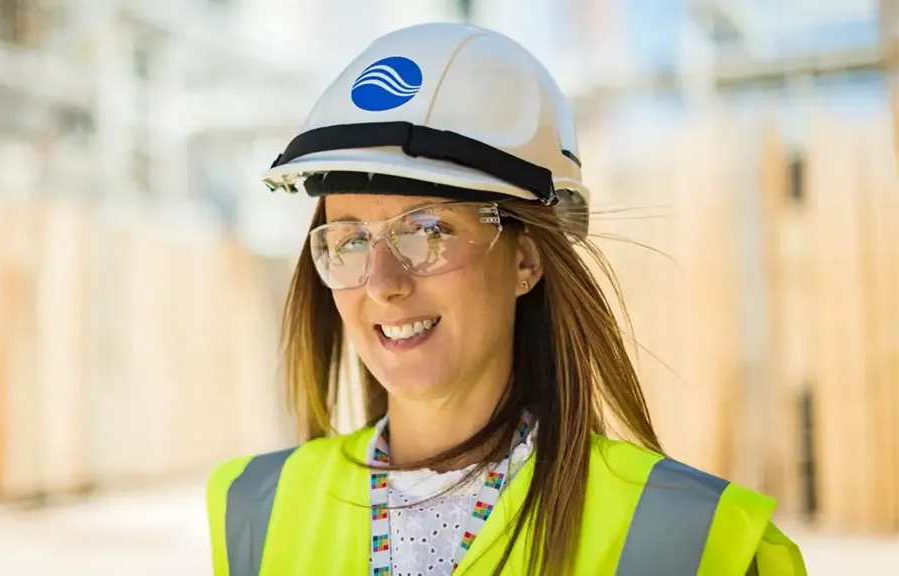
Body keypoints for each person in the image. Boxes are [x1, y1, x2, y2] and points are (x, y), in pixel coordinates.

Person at [206, 22, 807, 576]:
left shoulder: (698, 541)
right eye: (350, 240)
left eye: (429, 230)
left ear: (525, 259)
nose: (383, 283)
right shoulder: (252, 513)